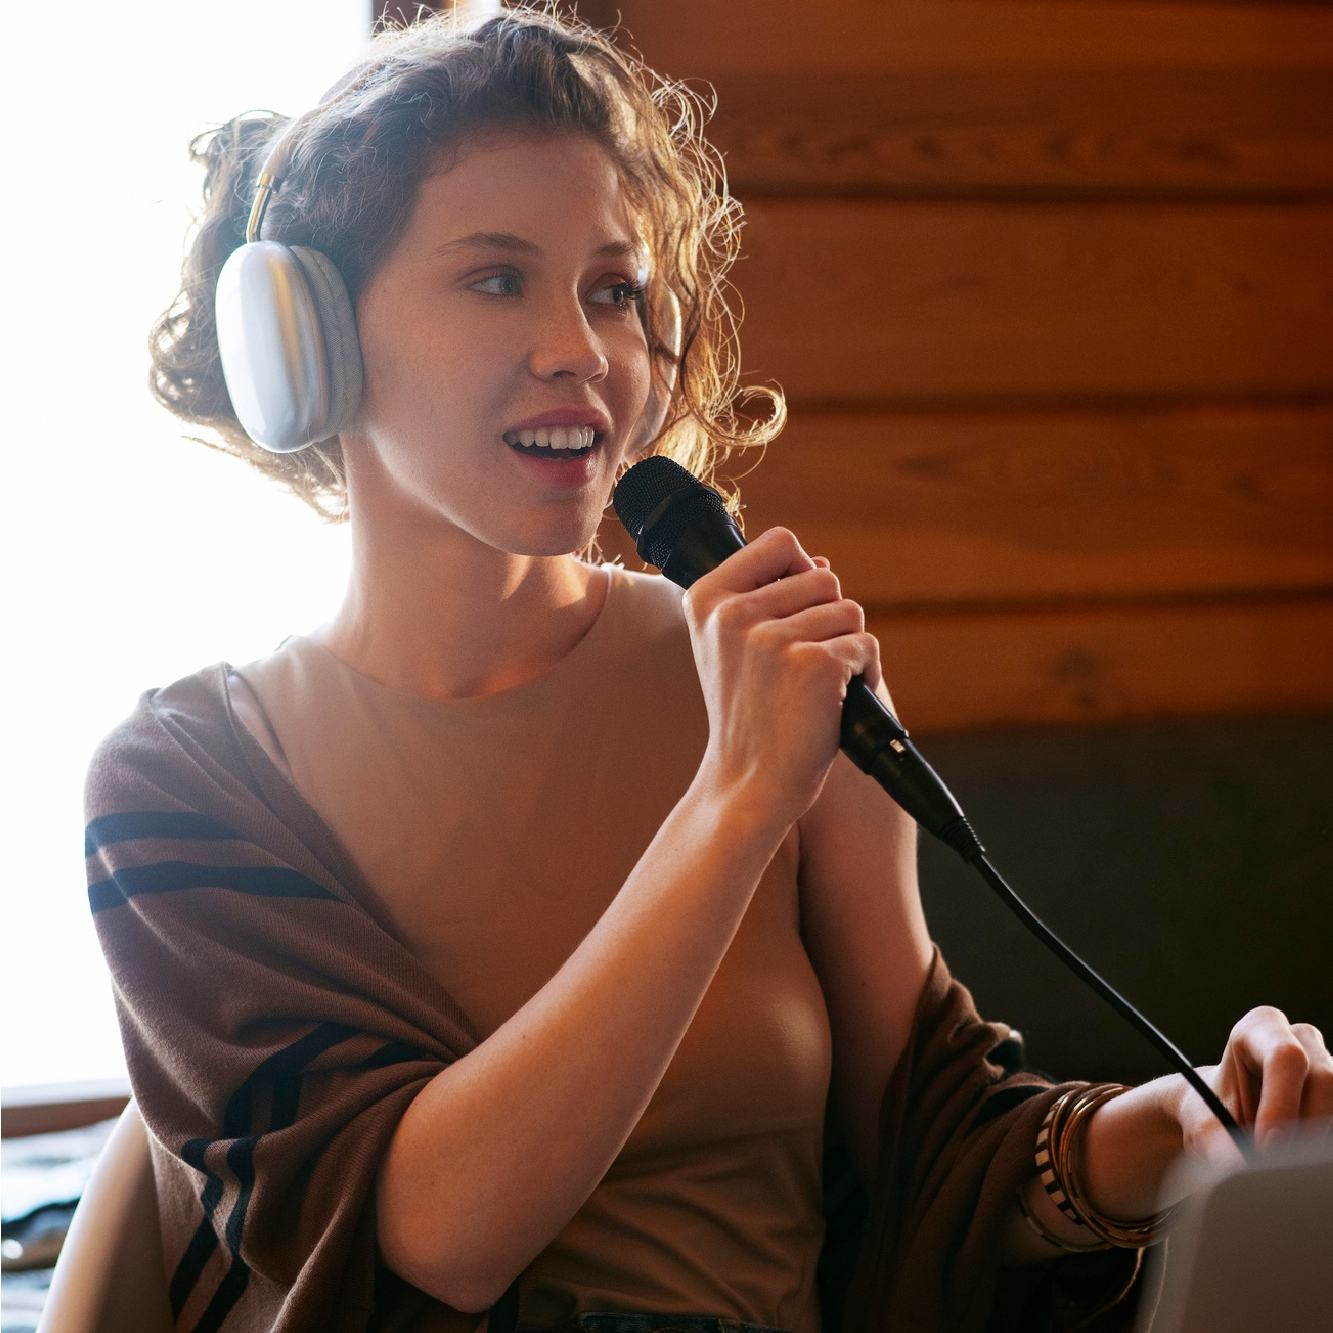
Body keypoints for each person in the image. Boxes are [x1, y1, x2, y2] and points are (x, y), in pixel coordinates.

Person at [85, 5, 1332, 1332]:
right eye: (498, 277)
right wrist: (733, 800)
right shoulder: (184, 780)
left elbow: (938, 1147)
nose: (585, 348)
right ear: (308, 341)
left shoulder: (771, 679)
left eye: (615, 288)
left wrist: (1195, 1123)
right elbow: (435, 1234)